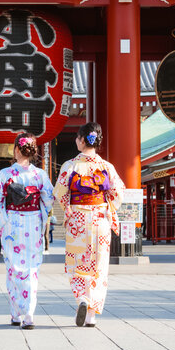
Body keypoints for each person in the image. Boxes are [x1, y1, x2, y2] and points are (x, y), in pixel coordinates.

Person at [53, 122, 125, 328]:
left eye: (77, 137)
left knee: (78, 265)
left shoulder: (70, 166)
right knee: (99, 267)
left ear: (83, 140)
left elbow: (60, 193)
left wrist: (69, 210)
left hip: (78, 220)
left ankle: (82, 298)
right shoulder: (106, 167)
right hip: (100, 220)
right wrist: (108, 206)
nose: (76, 140)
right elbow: (118, 192)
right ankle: (91, 315)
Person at [0, 132, 54, 330]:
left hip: (13, 224)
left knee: (13, 268)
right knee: (32, 268)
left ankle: (16, 313)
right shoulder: (39, 175)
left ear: (17, 149)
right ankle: (29, 314)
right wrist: (41, 214)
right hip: (33, 222)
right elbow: (49, 198)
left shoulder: (5, 174)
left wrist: (5, 216)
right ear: (33, 151)